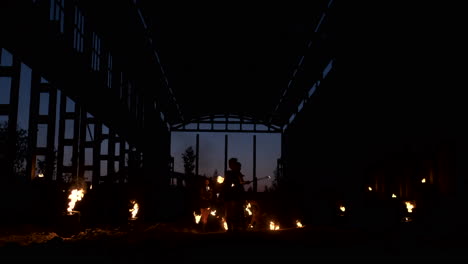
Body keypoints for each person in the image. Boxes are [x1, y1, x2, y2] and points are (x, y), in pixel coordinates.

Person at [222, 158, 251, 232]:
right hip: (229, 196)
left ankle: (239, 228)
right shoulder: (228, 173)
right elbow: (226, 184)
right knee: (230, 213)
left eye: (232, 163)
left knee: (239, 212)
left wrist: (245, 182)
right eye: (230, 164)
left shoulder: (238, 173)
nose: (230, 165)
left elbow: (241, 182)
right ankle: (230, 228)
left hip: (237, 195)